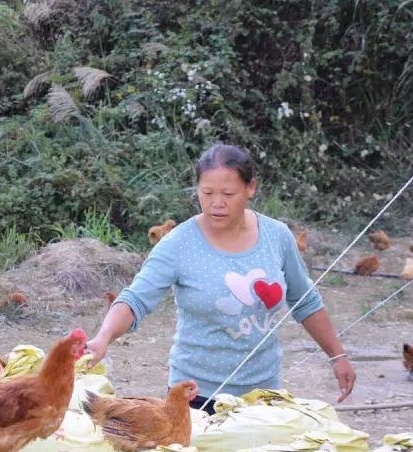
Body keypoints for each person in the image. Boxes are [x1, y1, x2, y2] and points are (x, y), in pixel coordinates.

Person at [86, 142, 356, 413]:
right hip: (194, 398)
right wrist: (103, 337)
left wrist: (338, 355)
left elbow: (305, 301)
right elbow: (134, 300)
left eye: (228, 193)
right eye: (207, 193)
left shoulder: (277, 236)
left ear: (250, 188)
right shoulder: (179, 243)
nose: (217, 203)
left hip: (263, 396)